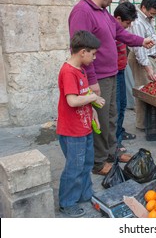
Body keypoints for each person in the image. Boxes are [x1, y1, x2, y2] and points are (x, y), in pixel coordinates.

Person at [68, 0, 155, 176]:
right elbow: (80, 49)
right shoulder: (82, 12)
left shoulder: (102, 11)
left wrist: (141, 41)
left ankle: (111, 152)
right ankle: (99, 163)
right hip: (98, 77)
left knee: (111, 116)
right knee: (100, 117)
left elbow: (120, 33)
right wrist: (91, 80)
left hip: (112, 73)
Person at [56, 30, 105, 217]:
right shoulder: (69, 72)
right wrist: (93, 96)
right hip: (72, 130)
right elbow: (72, 101)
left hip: (84, 127)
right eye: (93, 54)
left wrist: (93, 112)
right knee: (74, 167)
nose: (94, 58)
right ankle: (67, 202)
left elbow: (82, 96)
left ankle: (84, 194)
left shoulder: (81, 70)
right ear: (82, 52)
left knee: (86, 163)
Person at [128, 0, 156, 130]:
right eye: (152, 13)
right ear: (143, 8)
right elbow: (139, 49)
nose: (153, 16)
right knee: (144, 92)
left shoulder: (146, 19)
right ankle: (142, 124)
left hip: (148, 59)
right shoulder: (137, 22)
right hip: (142, 60)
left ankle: (146, 122)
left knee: (148, 91)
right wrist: (148, 69)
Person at [113, 1, 138, 152]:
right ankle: (115, 142)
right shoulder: (111, 31)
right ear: (118, 18)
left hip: (121, 70)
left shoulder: (120, 31)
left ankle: (119, 133)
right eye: (127, 23)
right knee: (115, 108)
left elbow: (129, 39)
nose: (128, 26)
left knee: (122, 105)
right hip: (113, 73)